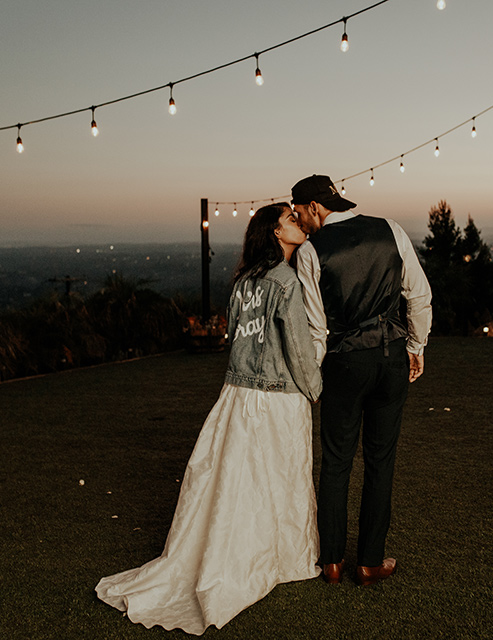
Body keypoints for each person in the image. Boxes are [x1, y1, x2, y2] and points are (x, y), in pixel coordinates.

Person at [95, 203, 322, 634]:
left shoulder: (242, 283)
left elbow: (237, 336)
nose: (301, 224)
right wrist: (314, 387)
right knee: (282, 475)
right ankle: (285, 557)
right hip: (278, 397)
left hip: (236, 394)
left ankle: (241, 551)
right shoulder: (286, 281)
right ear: (276, 233)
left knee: (236, 480)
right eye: (292, 220)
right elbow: (297, 346)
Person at [291, 174, 432, 587]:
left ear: (315, 207)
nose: (300, 221)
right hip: (391, 358)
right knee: (380, 461)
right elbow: (418, 295)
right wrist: (416, 345)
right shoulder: (391, 229)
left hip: (344, 364)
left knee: (335, 462)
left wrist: (313, 378)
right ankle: (370, 562)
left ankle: (331, 561)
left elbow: (317, 330)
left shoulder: (310, 252)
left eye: (300, 212)